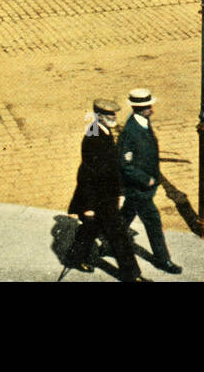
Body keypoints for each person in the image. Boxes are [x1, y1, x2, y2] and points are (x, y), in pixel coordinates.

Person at [65, 99, 144, 282]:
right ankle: (132, 276)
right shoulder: (93, 138)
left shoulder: (102, 131)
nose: (113, 117)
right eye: (110, 115)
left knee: (91, 229)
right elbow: (87, 175)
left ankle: (74, 257)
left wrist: (120, 192)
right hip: (99, 198)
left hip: (107, 195)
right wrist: (89, 206)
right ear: (99, 116)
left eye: (114, 114)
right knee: (119, 236)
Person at [118, 88, 182, 274]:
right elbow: (125, 164)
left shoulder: (144, 121)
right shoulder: (131, 131)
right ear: (138, 109)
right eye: (147, 106)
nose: (151, 109)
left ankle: (110, 243)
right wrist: (146, 180)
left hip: (141, 188)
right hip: (139, 188)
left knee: (125, 217)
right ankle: (163, 260)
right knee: (153, 222)